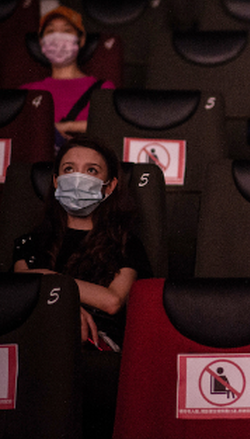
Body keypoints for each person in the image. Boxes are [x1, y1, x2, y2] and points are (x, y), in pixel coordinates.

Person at [13, 137, 151, 350]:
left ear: (110, 186)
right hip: (39, 335)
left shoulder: (125, 243)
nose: (78, 178)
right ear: (56, 181)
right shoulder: (31, 241)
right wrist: (66, 309)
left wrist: (52, 283)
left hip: (96, 343)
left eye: (92, 171)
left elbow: (112, 301)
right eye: (69, 169)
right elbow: (20, 285)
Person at [20, 6, 115, 149]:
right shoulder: (27, 91)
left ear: (81, 40)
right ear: (41, 42)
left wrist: (65, 126)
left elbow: (110, 125)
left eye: (66, 30)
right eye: (50, 31)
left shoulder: (103, 88)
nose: (58, 37)